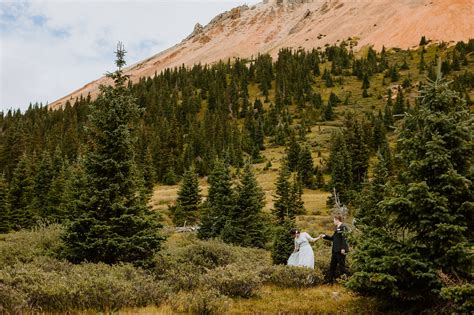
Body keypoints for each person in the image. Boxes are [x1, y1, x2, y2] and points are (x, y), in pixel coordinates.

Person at [320, 215, 349, 283]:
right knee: (332, 266)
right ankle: (329, 281)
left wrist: (343, 248)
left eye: (334, 221)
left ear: (337, 220)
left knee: (342, 267)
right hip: (335, 251)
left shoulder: (343, 227)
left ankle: (346, 281)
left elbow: (344, 238)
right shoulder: (337, 228)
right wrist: (325, 236)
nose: (333, 222)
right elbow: (333, 238)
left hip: (341, 251)